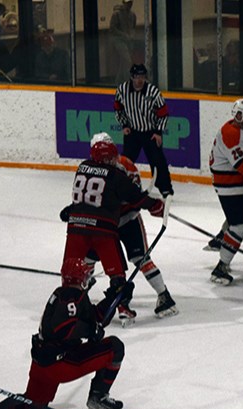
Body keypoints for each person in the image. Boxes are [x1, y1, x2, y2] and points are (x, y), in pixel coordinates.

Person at [0, 257, 128, 409]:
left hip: (42, 364)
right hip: (61, 364)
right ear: (81, 277)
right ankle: (99, 397)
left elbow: (95, 318)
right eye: (87, 275)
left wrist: (115, 296)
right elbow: (64, 329)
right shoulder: (71, 298)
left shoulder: (65, 294)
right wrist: (91, 330)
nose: (89, 278)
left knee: (35, 403)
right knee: (115, 347)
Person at [62, 139, 165, 324]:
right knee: (117, 273)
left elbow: (87, 199)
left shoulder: (82, 167)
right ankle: (123, 308)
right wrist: (156, 205)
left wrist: (70, 210)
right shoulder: (115, 174)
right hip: (102, 230)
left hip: (76, 227)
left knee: (71, 270)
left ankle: (68, 308)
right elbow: (136, 198)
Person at [81, 132, 177, 322]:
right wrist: (150, 204)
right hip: (105, 223)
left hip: (123, 220)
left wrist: (146, 203)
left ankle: (164, 295)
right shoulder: (102, 165)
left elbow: (132, 196)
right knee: (91, 258)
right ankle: (86, 288)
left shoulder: (118, 166)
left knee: (139, 258)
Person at [208, 98, 243, 285]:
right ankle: (221, 268)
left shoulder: (237, 129)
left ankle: (221, 238)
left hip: (229, 181)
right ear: (238, 116)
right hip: (228, 184)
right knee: (240, 226)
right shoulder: (233, 134)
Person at [113, 64, 175, 197]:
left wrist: (158, 132)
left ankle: (165, 189)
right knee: (125, 162)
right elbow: (118, 108)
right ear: (132, 77)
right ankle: (120, 187)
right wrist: (124, 125)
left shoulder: (153, 92)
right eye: (137, 77)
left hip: (151, 132)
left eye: (142, 77)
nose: (140, 80)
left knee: (158, 162)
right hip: (133, 132)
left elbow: (163, 113)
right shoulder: (122, 90)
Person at [108, 0, 137, 83]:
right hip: (118, 40)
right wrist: (124, 35)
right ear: (123, 3)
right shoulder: (116, 14)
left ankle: (119, 81)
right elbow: (112, 29)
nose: (129, 5)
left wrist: (131, 36)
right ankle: (128, 81)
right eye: (127, 3)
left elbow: (133, 27)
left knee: (123, 63)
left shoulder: (133, 15)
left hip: (129, 41)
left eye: (130, 3)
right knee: (127, 60)